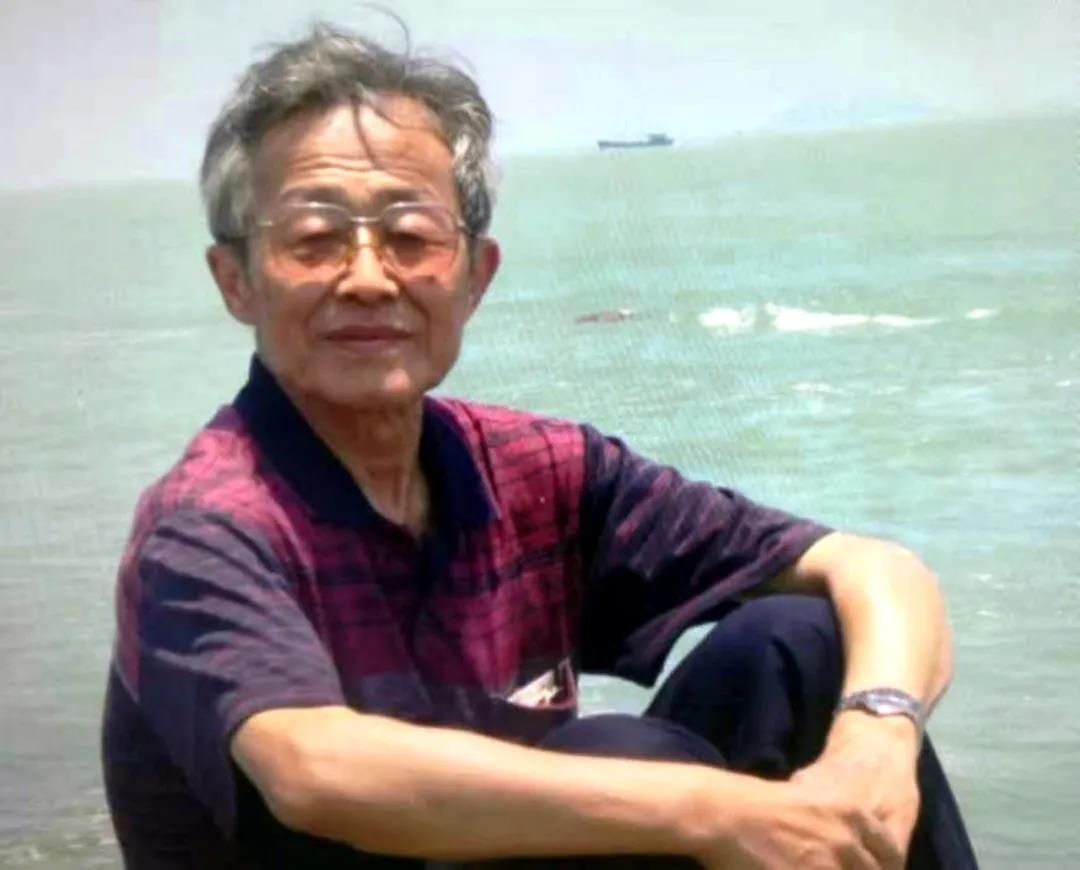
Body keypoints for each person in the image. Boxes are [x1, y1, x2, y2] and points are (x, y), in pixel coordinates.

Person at [101, 22, 978, 870]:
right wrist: (727, 815)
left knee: (801, 639)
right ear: (236, 282)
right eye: (314, 239)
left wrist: (876, 740)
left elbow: (874, 569)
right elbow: (314, 769)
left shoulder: (535, 474)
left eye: (410, 237)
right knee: (631, 759)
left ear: (475, 277)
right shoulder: (208, 526)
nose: (367, 278)